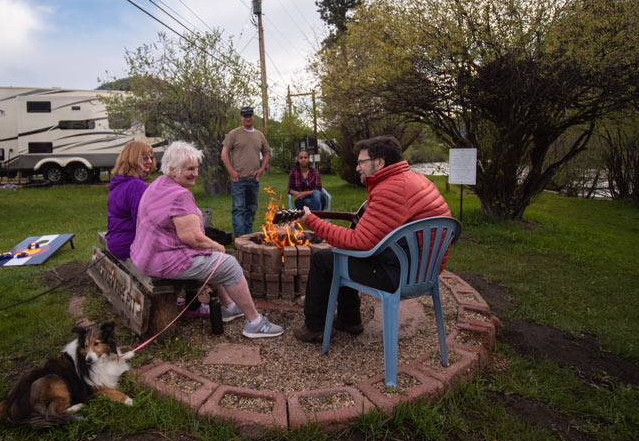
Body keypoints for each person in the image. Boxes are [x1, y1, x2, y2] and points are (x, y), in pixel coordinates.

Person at [293, 135, 452, 343]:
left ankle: (315, 327)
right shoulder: (413, 179)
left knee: (324, 259)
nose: (357, 168)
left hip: (401, 274)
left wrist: (312, 221)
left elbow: (359, 241)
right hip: (422, 269)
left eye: (361, 162)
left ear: (379, 162)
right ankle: (350, 319)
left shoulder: (391, 189)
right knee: (344, 254)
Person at [131, 141, 284, 339]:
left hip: (148, 255)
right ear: (173, 170)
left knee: (212, 259)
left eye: (196, 168)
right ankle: (254, 322)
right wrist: (217, 246)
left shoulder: (158, 185)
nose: (195, 173)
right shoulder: (180, 195)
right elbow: (193, 239)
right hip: (162, 261)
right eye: (189, 169)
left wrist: (210, 249)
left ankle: (229, 307)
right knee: (228, 263)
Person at [107, 140, 209, 318]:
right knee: (189, 247)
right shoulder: (136, 186)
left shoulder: (119, 182)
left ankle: (189, 301)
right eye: (143, 158)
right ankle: (193, 306)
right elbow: (147, 222)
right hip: (129, 244)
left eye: (151, 157)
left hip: (116, 240)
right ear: (131, 159)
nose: (149, 161)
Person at [220, 106, 270, 238]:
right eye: (245, 116)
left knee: (251, 209)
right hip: (239, 179)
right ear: (241, 118)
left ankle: (248, 237)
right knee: (239, 210)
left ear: (253, 116)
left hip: (254, 179)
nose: (248, 118)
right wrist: (231, 172)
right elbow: (224, 153)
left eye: (250, 115)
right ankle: (240, 240)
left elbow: (266, 152)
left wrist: (261, 170)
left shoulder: (259, 135)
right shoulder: (234, 134)